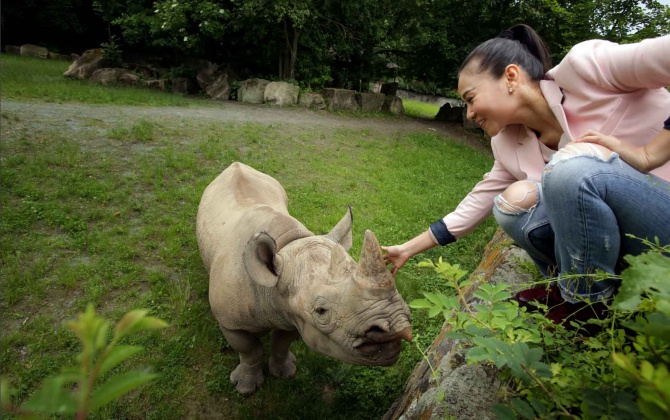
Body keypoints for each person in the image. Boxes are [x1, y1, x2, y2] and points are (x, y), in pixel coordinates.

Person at [382, 24, 670, 324]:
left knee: (569, 169)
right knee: (511, 205)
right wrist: (407, 249)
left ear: (510, 77)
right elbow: (475, 203)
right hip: (630, 250)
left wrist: (651, 154)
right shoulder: (506, 143)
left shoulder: (587, 68)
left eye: (470, 98)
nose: (468, 113)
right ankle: (587, 293)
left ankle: (583, 307)